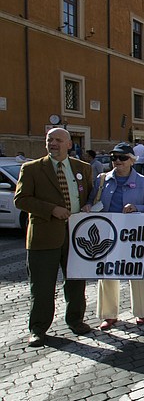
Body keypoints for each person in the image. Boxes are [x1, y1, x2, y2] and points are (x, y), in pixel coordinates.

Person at [14, 127, 93, 347]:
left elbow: (90, 193)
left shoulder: (82, 168)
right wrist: (51, 209)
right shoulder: (31, 169)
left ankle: (76, 320)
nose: (53, 143)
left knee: (76, 282)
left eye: (59, 140)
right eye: (50, 140)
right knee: (42, 287)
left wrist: (89, 204)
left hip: (76, 236)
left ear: (70, 144)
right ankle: (38, 329)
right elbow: (21, 200)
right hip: (43, 237)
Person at [85, 143, 144, 330]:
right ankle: (109, 314)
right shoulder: (102, 180)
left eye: (122, 158)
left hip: (132, 234)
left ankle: (140, 312)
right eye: (113, 157)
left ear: (132, 160)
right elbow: (92, 200)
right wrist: (88, 206)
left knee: (136, 273)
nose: (117, 161)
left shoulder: (143, 182)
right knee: (107, 273)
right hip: (107, 233)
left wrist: (137, 208)